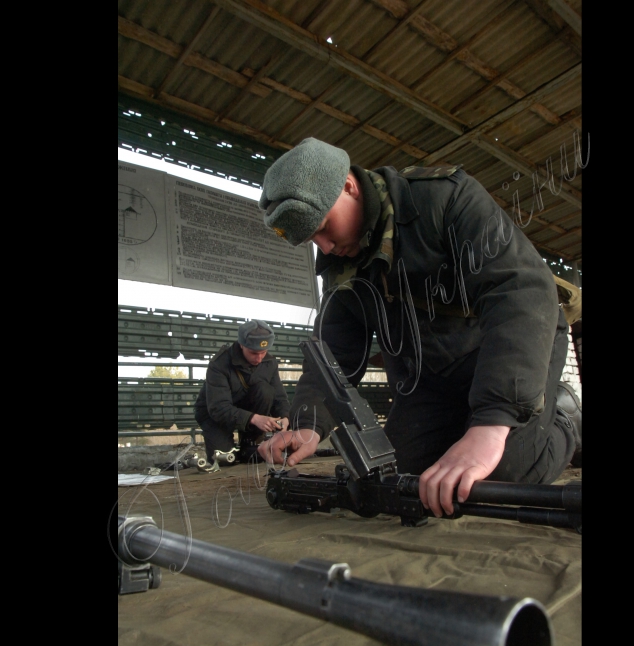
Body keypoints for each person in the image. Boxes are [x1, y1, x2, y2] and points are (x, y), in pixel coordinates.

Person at [256, 138, 582, 517]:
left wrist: (492, 424)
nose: (325, 247)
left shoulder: (443, 198)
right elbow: (335, 352)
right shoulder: (340, 262)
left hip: (509, 351)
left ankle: (566, 418)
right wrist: (308, 425)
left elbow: (519, 291)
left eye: (324, 227)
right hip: (428, 379)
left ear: (349, 186)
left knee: (498, 477)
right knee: (400, 482)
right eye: (313, 239)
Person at [194, 319, 290, 464]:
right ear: (241, 345)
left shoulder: (269, 363)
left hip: (248, 409)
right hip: (215, 414)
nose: (259, 358)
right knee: (224, 460)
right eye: (253, 353)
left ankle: (250, 443)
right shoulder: (219, 364)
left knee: (265, 390)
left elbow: (279, 398)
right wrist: (255, 419)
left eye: (263, 352)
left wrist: (285, 418)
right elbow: (218, 408)